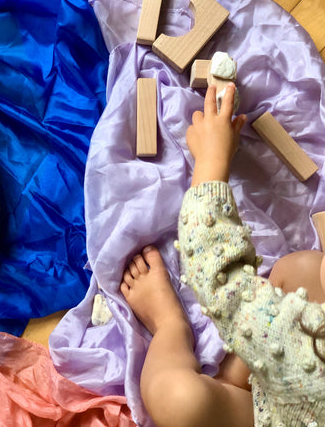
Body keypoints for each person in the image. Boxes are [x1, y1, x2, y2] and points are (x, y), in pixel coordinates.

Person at [120, 83, 325, 427]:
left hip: (277, 406)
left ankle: (170, 326)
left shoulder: (305, 347)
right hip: (295, 399)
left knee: (179, 400)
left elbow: (218, 277)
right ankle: (247, 374)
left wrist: (212, 158)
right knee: (303, 271)